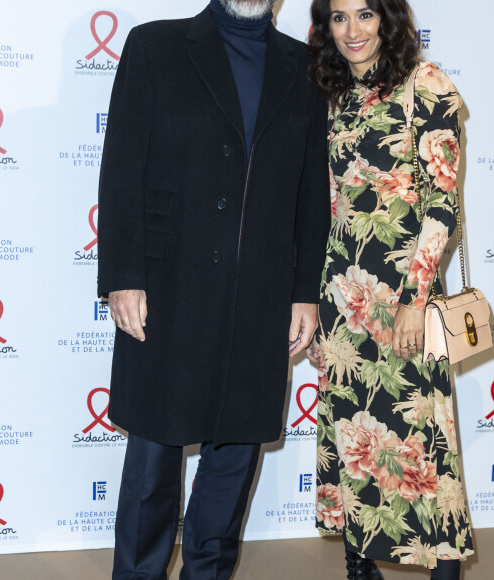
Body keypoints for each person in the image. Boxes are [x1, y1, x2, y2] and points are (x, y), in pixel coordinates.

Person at [97, 0, 330, 577]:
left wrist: (304, 291)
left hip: (261, 292)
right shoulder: (155, 46)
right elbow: (122, 166)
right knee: (153, 462)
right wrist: (123, 276)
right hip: (169, 288)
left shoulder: (305, 67)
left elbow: (309, 191)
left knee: (232, 465)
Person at [306, 1, 474, 579]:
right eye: (338, 17)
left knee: (423, 440)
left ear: (388, 20)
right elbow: (326, 209)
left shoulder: (425, 86)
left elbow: (441, 204)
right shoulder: (329, 97)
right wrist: (317, 306)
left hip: (405, 295)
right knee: (354, 436)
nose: (352, 30)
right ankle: (362, 567)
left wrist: (415, 299)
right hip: (343, 298)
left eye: (365, 14)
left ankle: (444, 571)